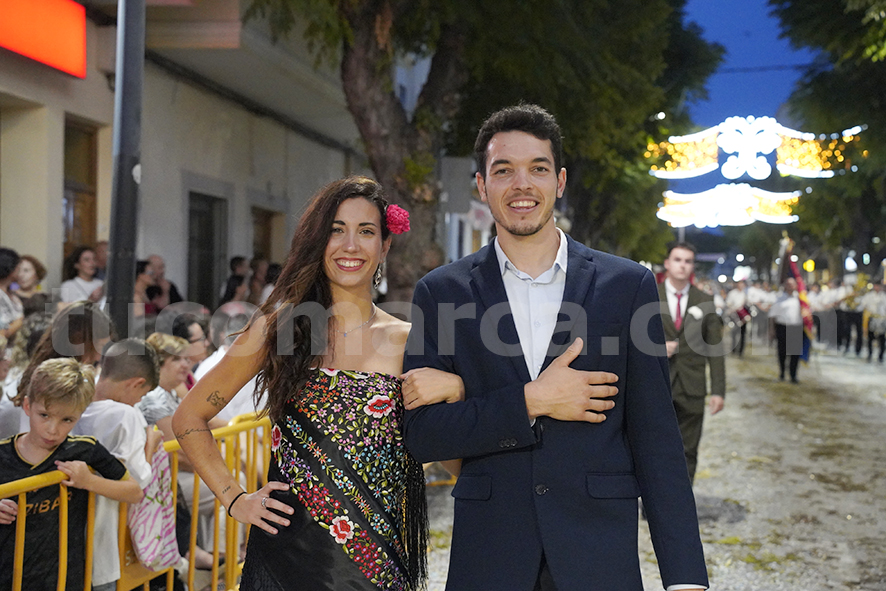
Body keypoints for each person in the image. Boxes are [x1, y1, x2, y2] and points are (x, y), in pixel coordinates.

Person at [402, 104, 707, 591]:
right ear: (481, 185)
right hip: (491, 557)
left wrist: (686, 578)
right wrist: (529, 401)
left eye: (538, 169)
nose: (521, 184)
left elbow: (657, 440)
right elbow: (422, 437)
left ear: (560, 181)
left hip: (598, 556)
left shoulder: (627, 286)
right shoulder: (441, 293)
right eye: (504, 170)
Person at [173, 176, 462, 590]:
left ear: (385, 246)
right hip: (284, 558)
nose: (350, 245)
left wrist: (456, 394)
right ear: (317, 241)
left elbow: (452, 461)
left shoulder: (410, 341)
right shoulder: (277, 329)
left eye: (366, 232)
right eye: (336, 230)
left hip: (376, 566)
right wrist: (235, 499)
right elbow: (188, 417)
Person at [0, 358, 143, 591]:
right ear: (27, 406)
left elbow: (134, 492)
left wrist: (89, 481)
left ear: (79, 415)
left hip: (66, 579)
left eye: (67, 419)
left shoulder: (85, 449)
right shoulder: (3, 454)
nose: (52, 430)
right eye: (44, 415)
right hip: (9, 578)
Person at [71, 338, 162, 591]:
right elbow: (137, 483)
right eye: (141, 395)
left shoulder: (73, 401)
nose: (137, 402)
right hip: (102, 535)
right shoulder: (126, 415)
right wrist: (151, 444)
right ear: (136, 383)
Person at [658, 242, 726, 484]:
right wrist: (655, 349)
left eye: (687, 261)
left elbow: (715, 349)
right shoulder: (648, 295)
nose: (682, 265)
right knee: (655, 448)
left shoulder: (704, 300)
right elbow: (631, 340)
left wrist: (718, 390)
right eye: (677, 260)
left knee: (688, 449)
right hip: (657, 385)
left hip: (692, 387)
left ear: (693, 266)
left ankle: (683, 500)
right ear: (667, 263)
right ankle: (655, 499)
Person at [769, 277, 804, 383]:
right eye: (788, 284)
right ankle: (782, 373)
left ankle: (793, 375)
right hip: (782, 327)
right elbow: (772, 315)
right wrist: (772, 329)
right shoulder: (779, 298)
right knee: (782, 352)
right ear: (785, 286)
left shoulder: (801, 298)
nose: (790, 286)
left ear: (796, 286)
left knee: (795, 353)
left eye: (792, 284)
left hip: (796, 327)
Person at [0, 248, 24, 344]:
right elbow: (2, 333)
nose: (20, 273)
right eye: (18, 268)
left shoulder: (11, 294)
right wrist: (19, 322)